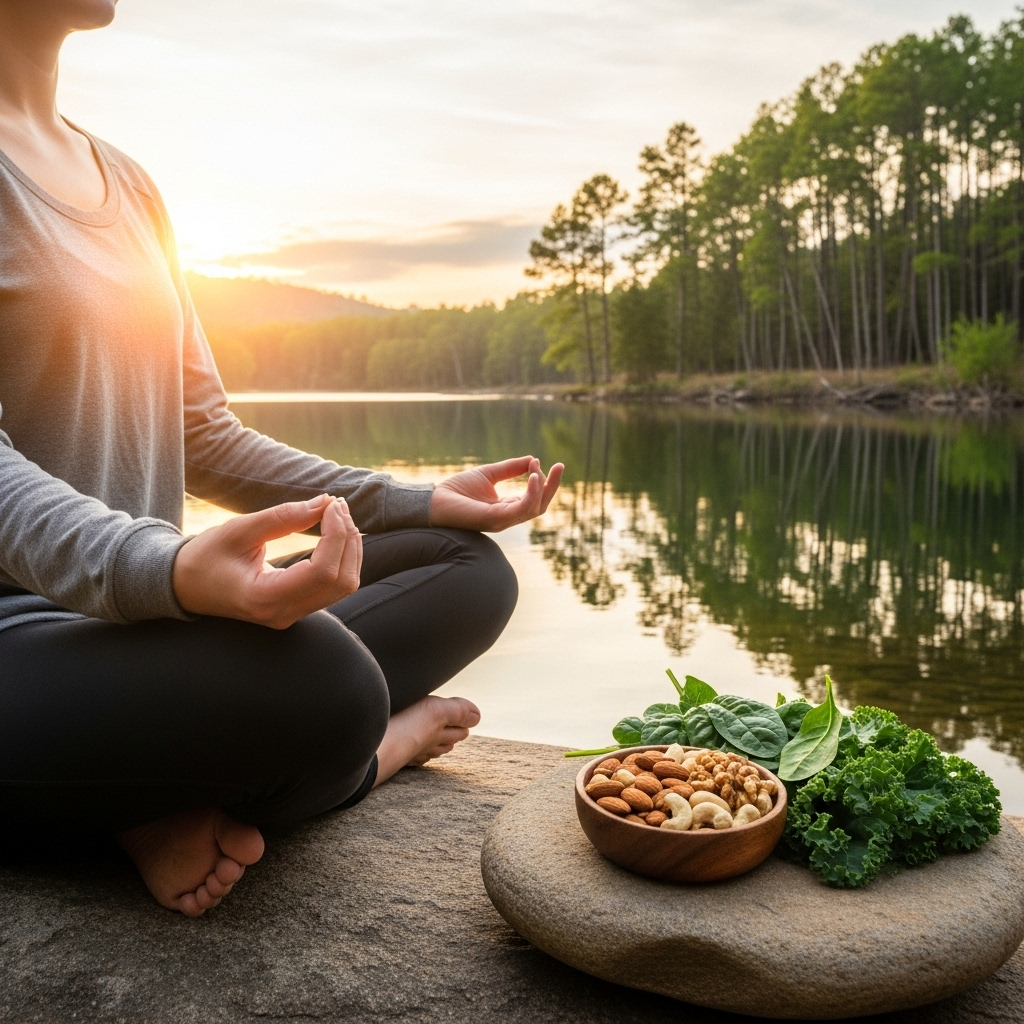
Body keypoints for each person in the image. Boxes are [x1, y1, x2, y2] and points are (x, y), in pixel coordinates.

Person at [0, 0, 563, 917]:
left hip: (138, 637)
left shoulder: (131, 185)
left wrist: (414, 499)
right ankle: (374, 753)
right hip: (18, 645)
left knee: (467, 570)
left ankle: (156, 795)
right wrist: (174, 568)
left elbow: (203, 433)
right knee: (332, 686)